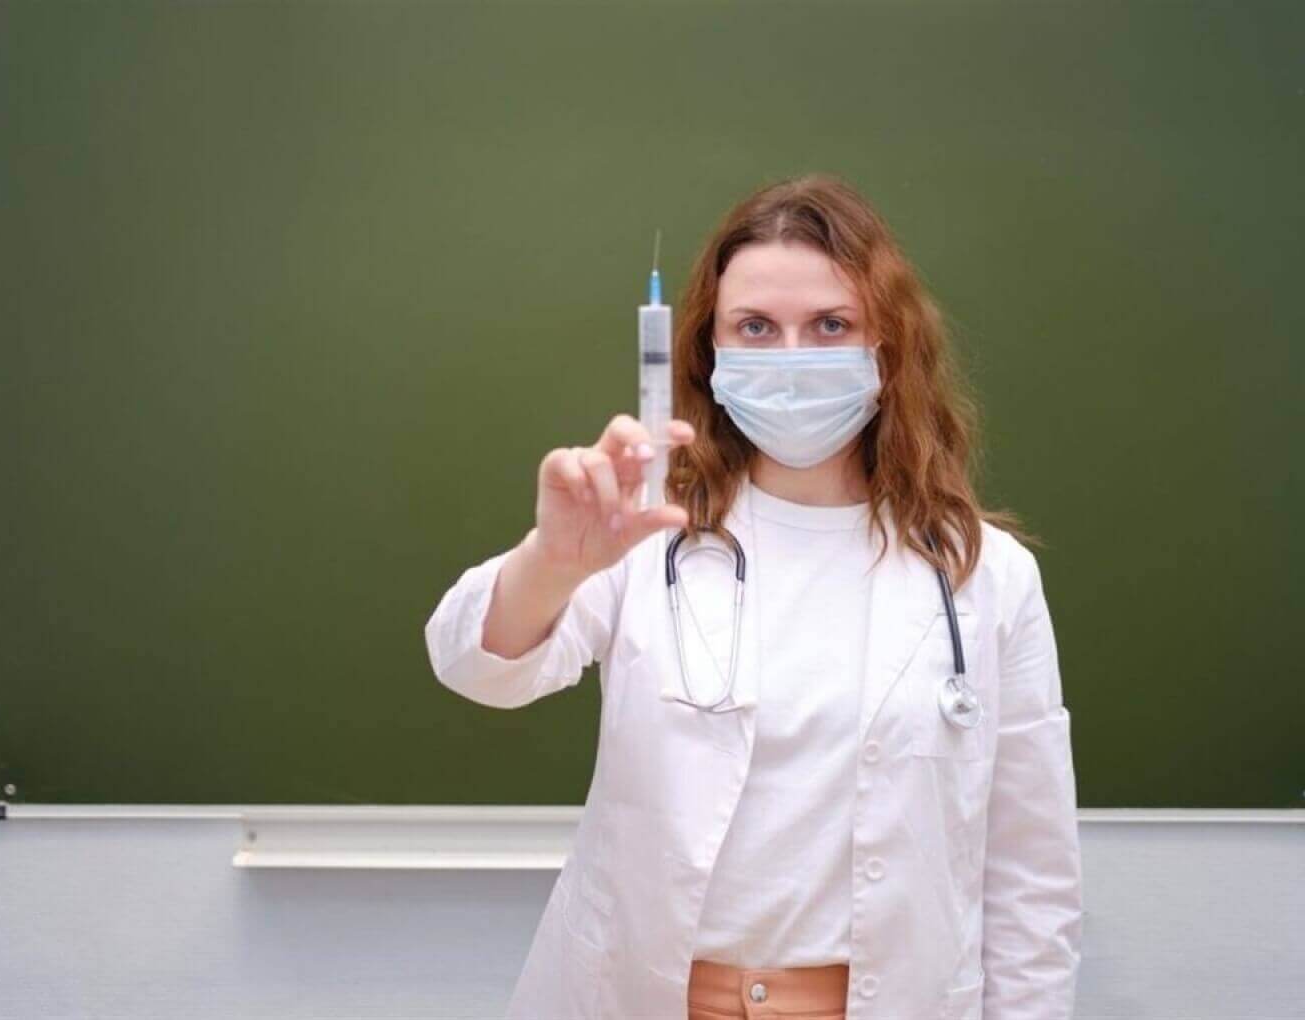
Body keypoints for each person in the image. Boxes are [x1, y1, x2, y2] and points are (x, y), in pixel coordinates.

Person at [423, 173, 1082, 1020]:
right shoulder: (644, 532)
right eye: (756, 328)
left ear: (886, 348)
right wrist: (553, 562)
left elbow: (1031, 875)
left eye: (831, 326)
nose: (793, 358)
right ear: (710, 350)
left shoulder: (985, 574)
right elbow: (473, 665)